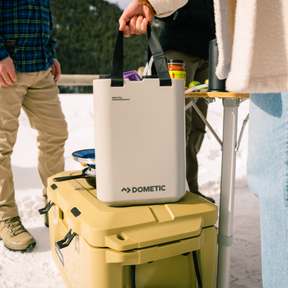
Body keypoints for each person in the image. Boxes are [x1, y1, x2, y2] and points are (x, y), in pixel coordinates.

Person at [119, 0, 288, 287]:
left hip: (243, 49)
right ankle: (172, 193)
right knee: (177, 130)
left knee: (273, 179)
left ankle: (188, 190)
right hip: (185, 50)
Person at [0, 1, 68, 252]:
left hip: (40, 66)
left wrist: (49, 53)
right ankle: (5, 217)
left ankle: (53, 206)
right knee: (1, 145)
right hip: (7, 67)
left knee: (56, 132)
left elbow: (43, 15)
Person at [157, 0, 215, 203]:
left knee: (198, 126)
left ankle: (189, 189)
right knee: (180, 124)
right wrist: (181, 15)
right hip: (179, 52)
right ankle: (173, 188)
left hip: (206, 55)